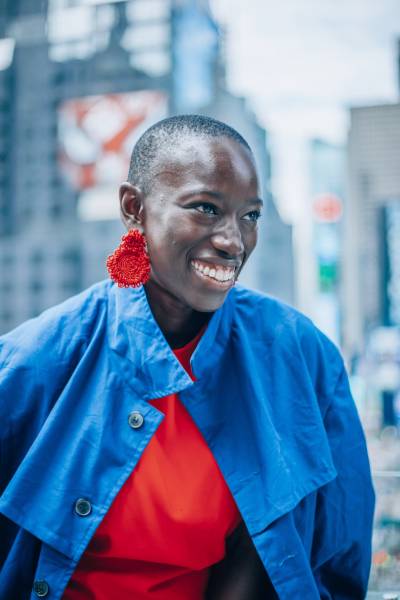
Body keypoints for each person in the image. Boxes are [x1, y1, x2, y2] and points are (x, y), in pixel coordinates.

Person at [0, 115, 374, 600]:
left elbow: (340, 557)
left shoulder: (302, 357)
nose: (233, 241)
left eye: (250, 216)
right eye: (205, 208)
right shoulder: (30, 364)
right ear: (134, 208)